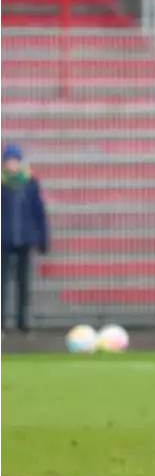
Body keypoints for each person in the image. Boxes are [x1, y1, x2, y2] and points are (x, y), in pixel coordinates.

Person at [0, 143, 49, 340]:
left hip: (25, 239)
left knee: (23, 284)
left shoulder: (30, 183)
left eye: (15, 160)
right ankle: (2, 324)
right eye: (9, 160)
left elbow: (39, 212)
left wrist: (43, 239)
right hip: (2, 240)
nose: (12, 164)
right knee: (1, 284)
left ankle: (23, 323)